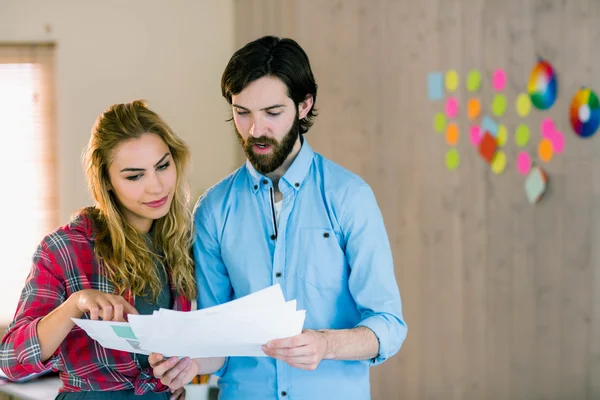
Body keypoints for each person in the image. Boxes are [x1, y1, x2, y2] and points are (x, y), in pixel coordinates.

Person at [150, 35, 408, 399]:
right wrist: (190, 363)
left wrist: (325, 344)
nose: (256, 130)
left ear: (304, 106)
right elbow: (217, 338)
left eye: (272, 113)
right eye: (242, 113)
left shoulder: (349, 197)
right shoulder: (212, 210)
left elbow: (388, 326)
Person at [0, 100, 199, 399]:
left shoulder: (182, 243)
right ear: (106, 181)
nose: (157, 186)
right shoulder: (65, 248)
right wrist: (75, 304)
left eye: (162, 166)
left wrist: (178, 374)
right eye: (134, 176)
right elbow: (11, 361)